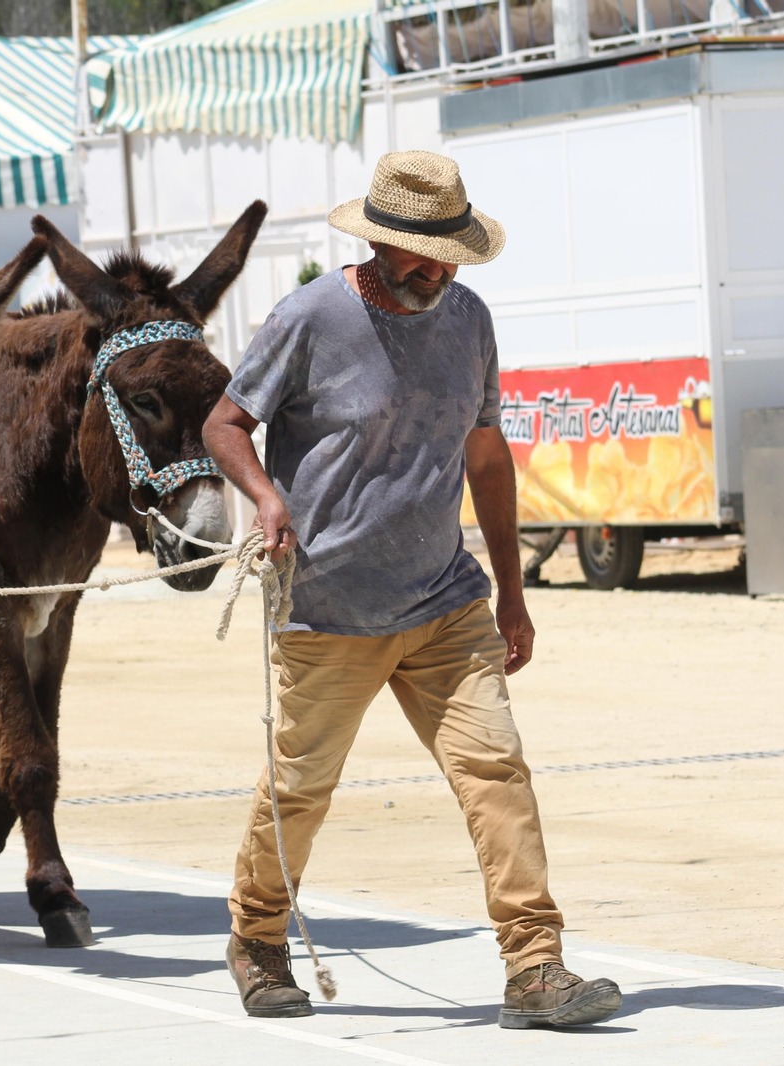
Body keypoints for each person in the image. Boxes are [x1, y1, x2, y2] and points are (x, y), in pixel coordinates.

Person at [203, 150, 623, 1030]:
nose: (439, 273)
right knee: (299, 788)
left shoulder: (468, 320)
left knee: (495, 770)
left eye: (451, 256)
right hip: (328, 610)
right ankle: (259, 937)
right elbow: (225, 422)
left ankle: (535, 968)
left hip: (445, 603)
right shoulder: (309, 317)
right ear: (380, 246)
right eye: (423, 257)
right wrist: (268, 498)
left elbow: (485, 453)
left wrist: (512, 591)